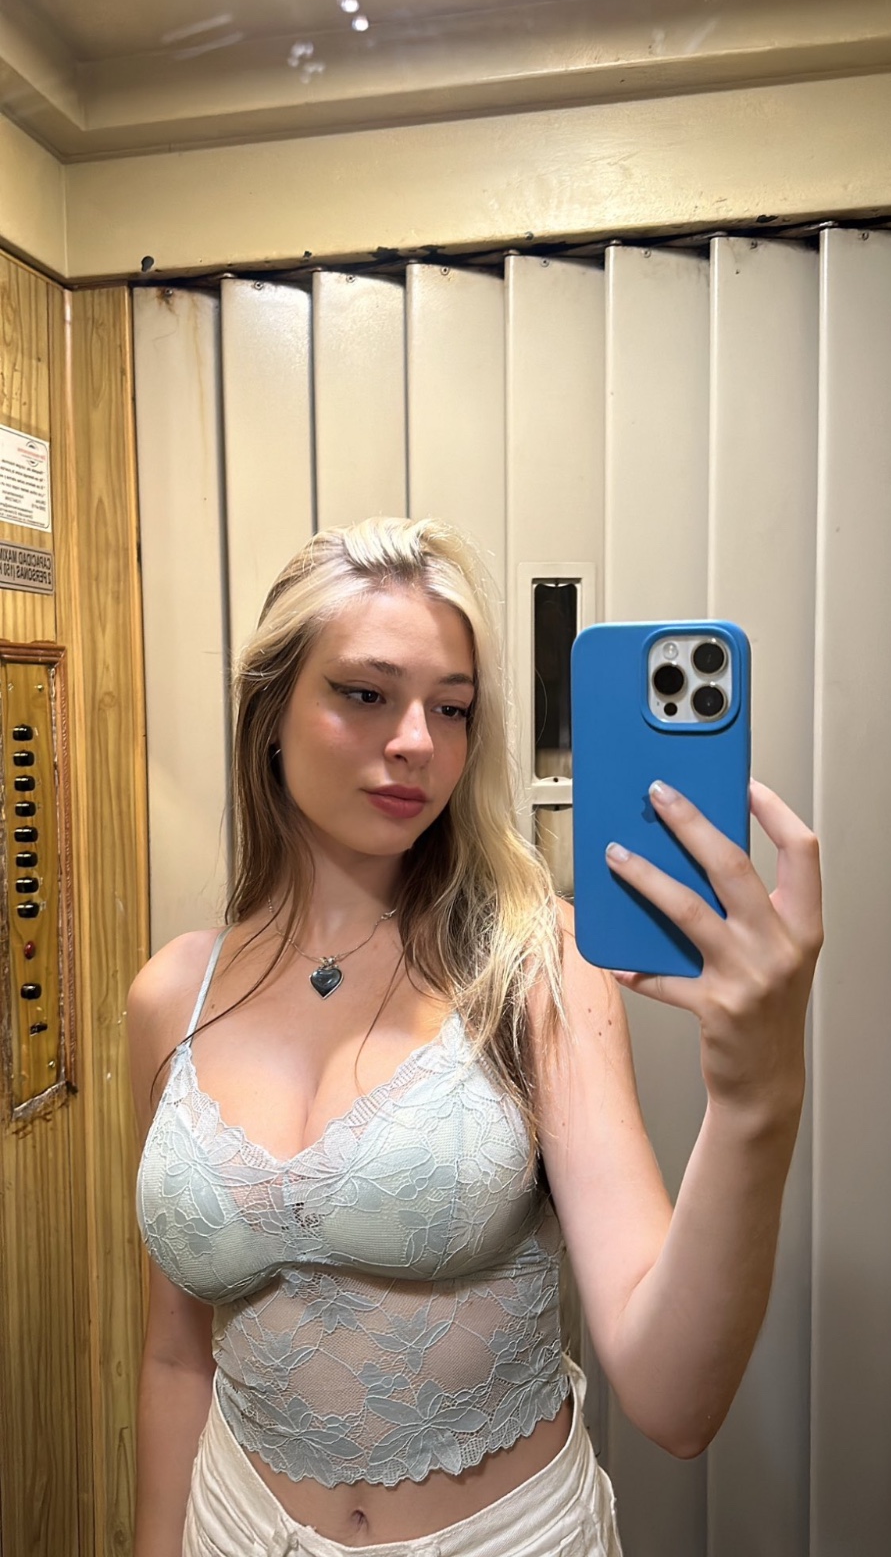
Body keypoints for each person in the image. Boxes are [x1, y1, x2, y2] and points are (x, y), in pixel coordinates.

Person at [128, 516, 823, 1557]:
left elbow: (674, 1399)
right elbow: (177, 1358)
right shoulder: (172, 996)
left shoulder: (536, 967)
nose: (417, 740)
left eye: (450, 708)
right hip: (232, 1527)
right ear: (269, 711)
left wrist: (757, 1096)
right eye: (365, 693)